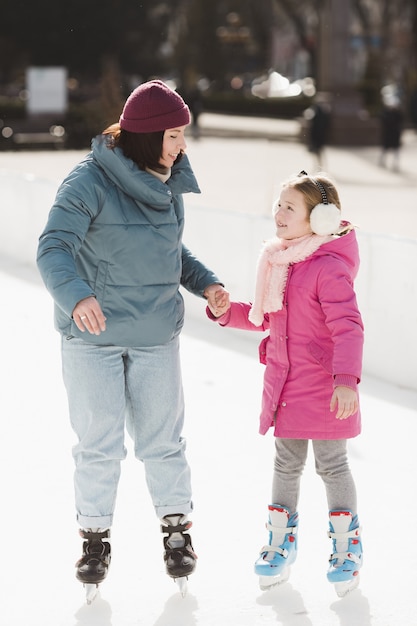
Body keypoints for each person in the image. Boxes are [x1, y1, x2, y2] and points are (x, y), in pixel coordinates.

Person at [37, 79, 228, 598]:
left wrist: (206, 282)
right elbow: (53, 247)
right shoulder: (88, 182)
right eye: (173, 135)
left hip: (154, 335)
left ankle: (175, 533)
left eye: (183, 134)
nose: (181, 145)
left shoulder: (168, 182)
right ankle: (95, 537)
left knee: (163, 442)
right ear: (145, 137)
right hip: (92, 337)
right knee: (99, 444)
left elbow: (170, 253)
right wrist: (77, 296)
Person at [207, 171, 364, 597]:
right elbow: (266, 318)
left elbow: (348, 327)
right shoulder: (283, 262)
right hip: (288, 384)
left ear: (322, 218)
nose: (278, 214)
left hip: (328, 388)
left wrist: (346, 381)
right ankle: (280, 542)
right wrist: (225, 311)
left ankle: (347, 546)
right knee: (285, 465)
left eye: (289, 208)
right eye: (278, 204)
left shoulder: (328, 267)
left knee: (332, 466)